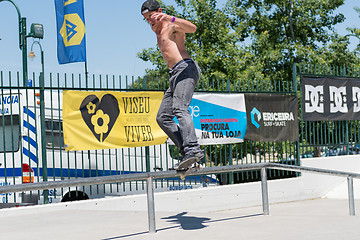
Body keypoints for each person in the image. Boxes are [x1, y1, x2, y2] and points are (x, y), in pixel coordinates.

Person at [141, 0, 204, 170]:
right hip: (174, 74)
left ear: (159, 11)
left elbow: (192, 28)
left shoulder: (170, 24)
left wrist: (171, 18)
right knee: (162, 117)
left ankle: (193, 149)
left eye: (151, 16)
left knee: (180, 108)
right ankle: (187, 153)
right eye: (146, 19)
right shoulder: (157, 29)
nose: (150, 21)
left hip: (185, 68)